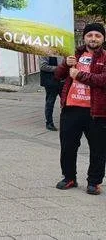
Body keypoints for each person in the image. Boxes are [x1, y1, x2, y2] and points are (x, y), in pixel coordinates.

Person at [54, 23, 106, 195]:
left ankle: (94, 182)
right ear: (84, 37)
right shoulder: (74, 54)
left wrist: (80, 75)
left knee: (98, 149)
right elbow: (58, 76)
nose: (93, 38)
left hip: (97, 112)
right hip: (71, 109)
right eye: (90, 35)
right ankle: (69, 178)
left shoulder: (105, 57)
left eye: (97, 35)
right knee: (68, 146)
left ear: (103, 39)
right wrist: (64, 64)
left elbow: (103, 80)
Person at [41, 56, 65, 131]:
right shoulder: (45, 52)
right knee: (50, 102)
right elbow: (43, 66)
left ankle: (66, 121)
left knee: (66, 102)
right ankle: (49, 123)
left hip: (63, 81)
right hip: (50, 81)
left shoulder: (63, 51)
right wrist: (58, 68)